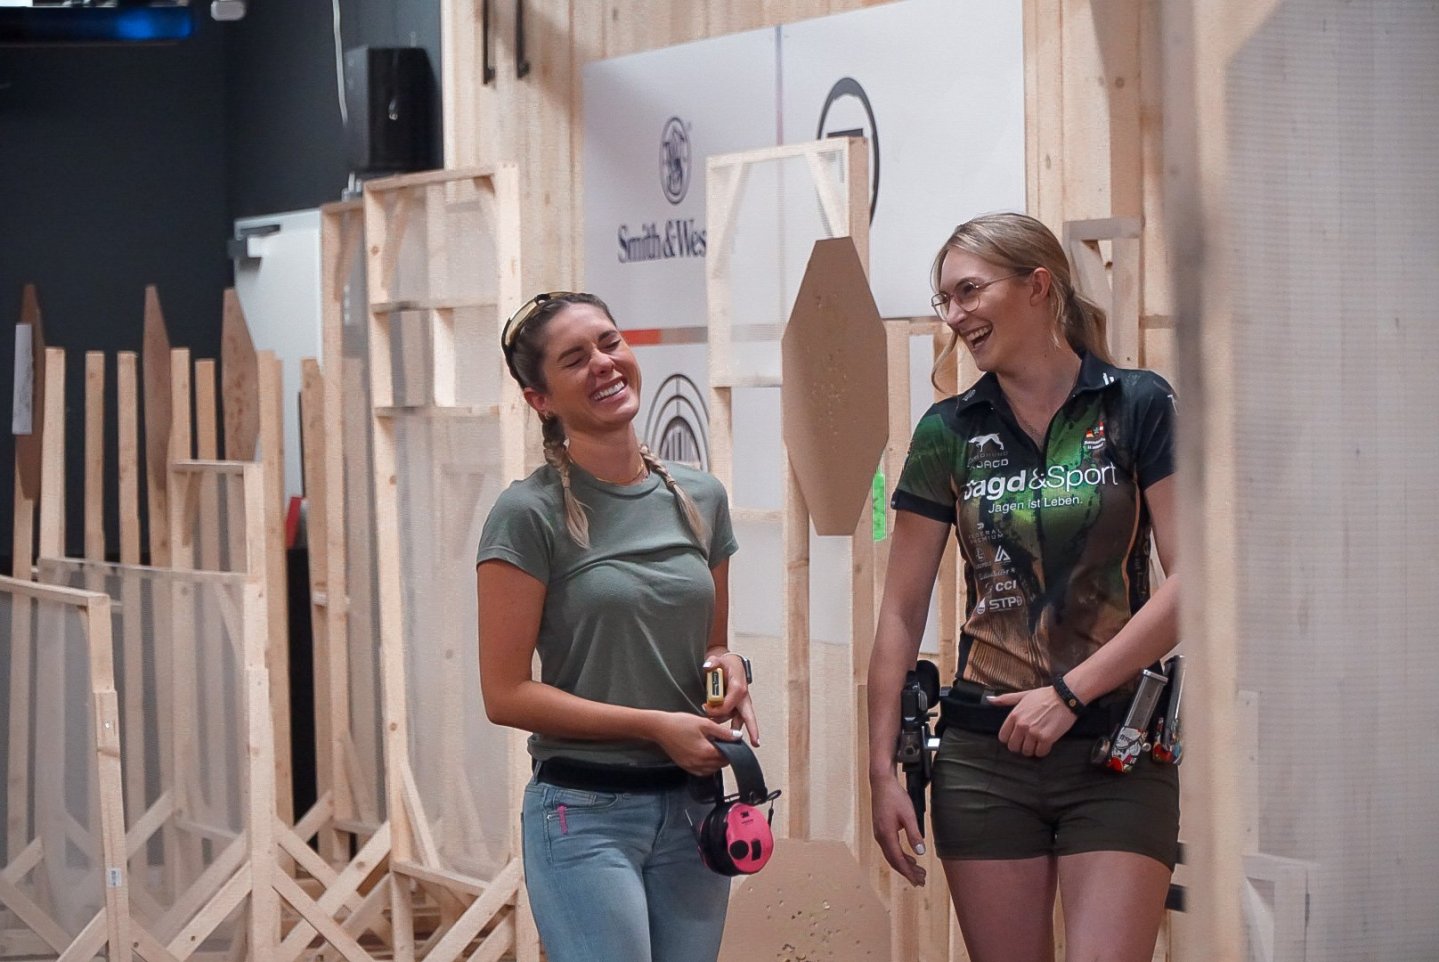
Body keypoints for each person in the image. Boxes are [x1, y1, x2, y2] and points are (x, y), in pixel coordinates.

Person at [867, 213, 1180, 962]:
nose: (954, 315)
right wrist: (882, 771)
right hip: (983, 757)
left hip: (1118, 747)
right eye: (944, 298)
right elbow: (901, 611)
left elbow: (1192, 583)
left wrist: (1068, 694)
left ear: (1038, 286)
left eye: (969, 290)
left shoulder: (1135, 404)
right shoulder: (947, 429)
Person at [476, 291, 758, 962]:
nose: (603, 364)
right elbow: (505, 695)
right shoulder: (526, 515)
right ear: (539, 399)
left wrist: (731, 670)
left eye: (609, 343)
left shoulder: (700, 497)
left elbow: (711, 643)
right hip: (584, 814)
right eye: (575, 359)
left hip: (694, 807)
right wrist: (652, 726)